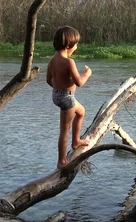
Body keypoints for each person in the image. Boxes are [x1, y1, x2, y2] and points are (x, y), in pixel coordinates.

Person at [47, 25, 92, 169]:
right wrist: (87, 74)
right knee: (64, 131)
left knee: (82, 112)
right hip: (67, 98)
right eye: (76, 44)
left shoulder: (52, 60)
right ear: (68, 45)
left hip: (57, 95)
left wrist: (61, 85)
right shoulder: (69, 62)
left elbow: (49, 80)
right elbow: (79, 82)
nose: (77, 47)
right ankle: (61, 161)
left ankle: (76, 141)